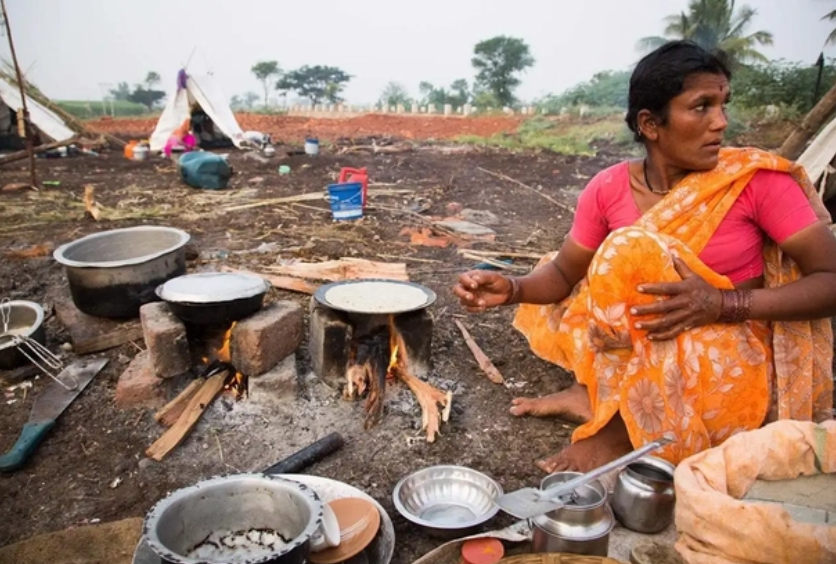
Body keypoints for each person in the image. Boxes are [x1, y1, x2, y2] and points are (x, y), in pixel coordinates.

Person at [453, 40, 836, 473]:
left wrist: (723, 303)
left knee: (627, 250)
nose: (721, 123)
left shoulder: (756, 183)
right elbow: (563, 273)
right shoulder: (609, 187)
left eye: (723, 105)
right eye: (702, 107)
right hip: (641, 336)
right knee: (588, 285)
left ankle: (616, 428)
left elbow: (831, 278)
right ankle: (597, 394)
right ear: (651, 124)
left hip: (723, 353)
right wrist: (514, 288)